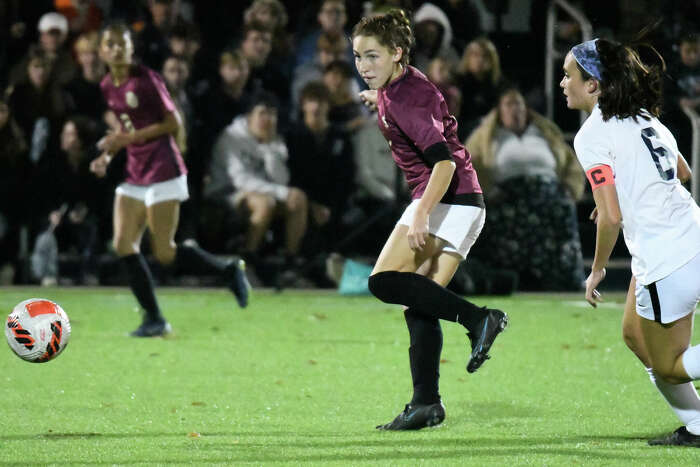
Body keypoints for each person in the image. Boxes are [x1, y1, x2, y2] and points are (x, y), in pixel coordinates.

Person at [352, 10, 508, 431]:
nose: (363, 66)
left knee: (383, 281)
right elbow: (408, 109)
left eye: (372, 56)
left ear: (397, 53)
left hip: (446, 198)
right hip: (462, 202)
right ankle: (426, 404)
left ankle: (479, 319)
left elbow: (442, 166)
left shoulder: (404, 98)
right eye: (358, 57)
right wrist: (375, 98)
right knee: (418, 302)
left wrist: (421, 214)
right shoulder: (397, 86)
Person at [561, 37, 700, 447]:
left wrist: (597, 268)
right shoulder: (644, 118)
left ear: (593, 85)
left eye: (569, 75)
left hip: (667, 258)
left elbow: (612, 218)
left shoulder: (590, 136)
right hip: (690, 233)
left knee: (671, 368)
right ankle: (696, 425)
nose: (562, 83)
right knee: (633, 335)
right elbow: (682, 172)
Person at [90, 24, 249, 337]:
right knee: (123, 244)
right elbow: (123, 130)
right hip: (136, 170)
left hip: (163, 167)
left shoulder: (147, 79)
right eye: (110, 44)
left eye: (122, 44)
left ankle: (228, 269)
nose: (117, 49)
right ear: (102, 52)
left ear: (131, 48)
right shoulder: (108, 85)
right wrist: (106, 157)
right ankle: (154, 318)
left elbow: (173, 121)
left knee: (165, 252)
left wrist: (129, 138)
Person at [466, 86, 585, 291]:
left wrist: (570, 189)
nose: (515, 110)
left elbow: (571, 164)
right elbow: (469, 164)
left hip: (549, 193)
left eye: (519, 104)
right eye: (509, 105)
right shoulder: (487, 137)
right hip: (507, 196)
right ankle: (513, 278)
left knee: (563, 210)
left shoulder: (544, 133)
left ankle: (565, 280)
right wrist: (487, 190)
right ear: (499, 111)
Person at [206, 92, 308, 268]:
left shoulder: (275, 139)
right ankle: (247, 259)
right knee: (265, 203)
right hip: (224, 193)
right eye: (262, 113)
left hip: (262, 192)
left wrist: (268, 147)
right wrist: (282, 192)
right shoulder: (231, 138)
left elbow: (281, 180)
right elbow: (240, 180)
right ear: (249, 116)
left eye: (272, 114)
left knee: (298, 198)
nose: (267, 119)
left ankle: (291, 261)